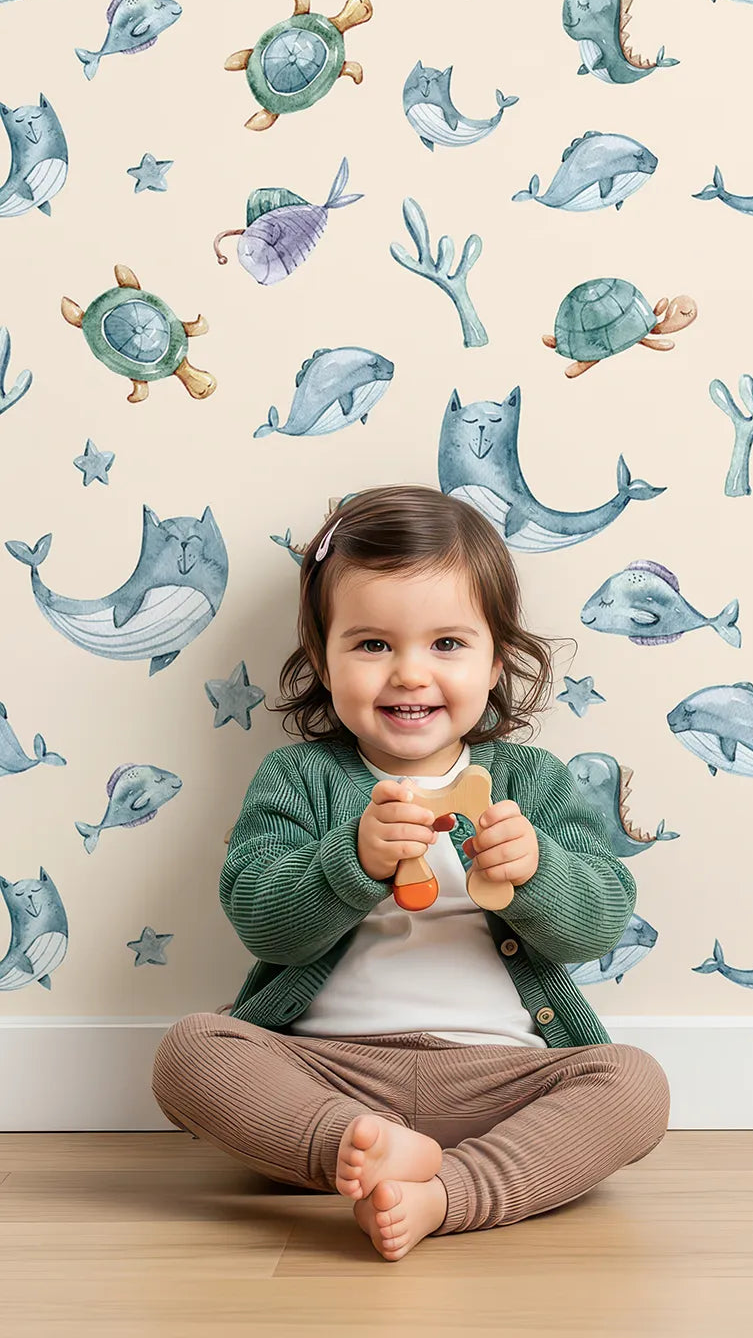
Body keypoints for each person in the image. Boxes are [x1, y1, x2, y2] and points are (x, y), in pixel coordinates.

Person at [151, 484, 670, 1261]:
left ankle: (449, 1192)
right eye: (372, 645)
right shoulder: (298, 779)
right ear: (323, 661)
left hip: (501, 1080)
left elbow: (598, 924)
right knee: (191, 1049)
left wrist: (539, 873)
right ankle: (351, 1147)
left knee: (634, 1082)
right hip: (329, 1073)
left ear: (496, 662)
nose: (409, 674)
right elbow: (262, 921)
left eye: (447, 644)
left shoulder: (533, 781)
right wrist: (349, 862)